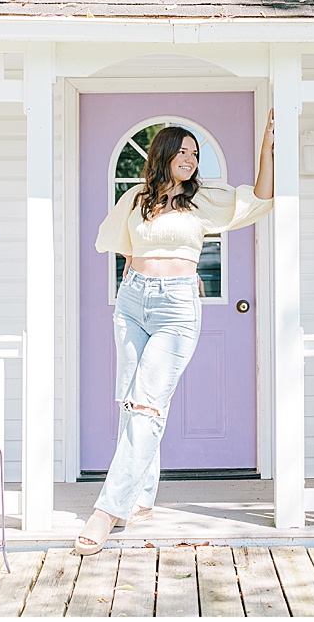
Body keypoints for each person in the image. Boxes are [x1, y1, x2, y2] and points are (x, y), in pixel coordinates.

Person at [76, 112, 275, 556]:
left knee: (147, 404)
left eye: (195, 153)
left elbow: (261, 197)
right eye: (183, 151)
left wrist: (267, 145)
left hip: (176, 307)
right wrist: (140, 283)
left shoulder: (200, 199)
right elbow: (124, 250)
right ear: (164, 154)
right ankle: (143, 495)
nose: (190, 158)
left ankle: (107, 510)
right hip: (132, 301)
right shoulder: (135, 199)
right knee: (132, 401)